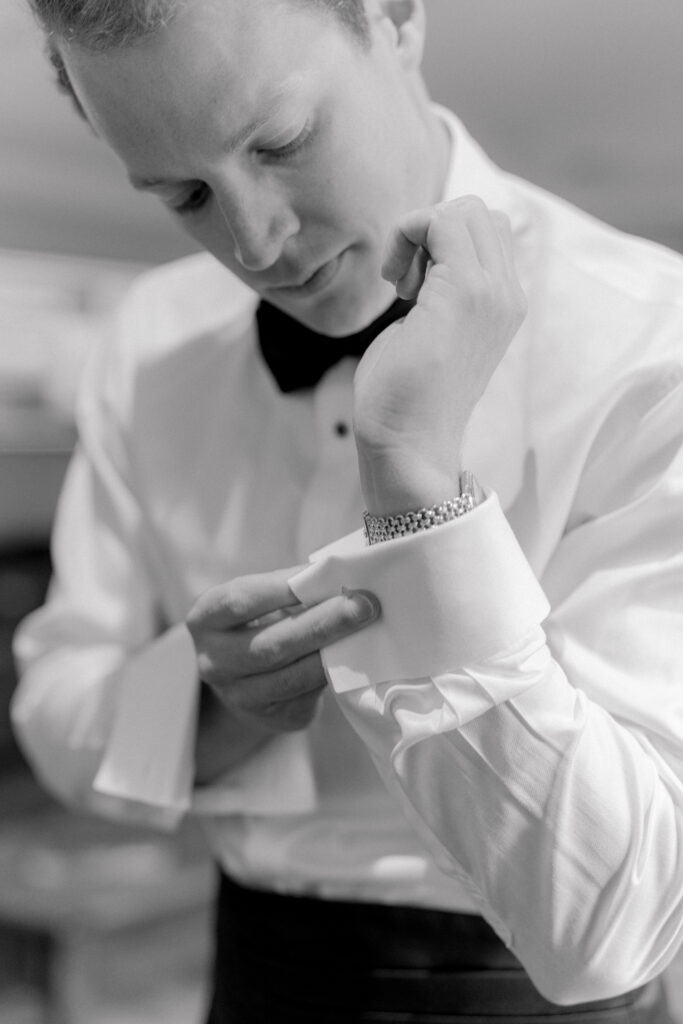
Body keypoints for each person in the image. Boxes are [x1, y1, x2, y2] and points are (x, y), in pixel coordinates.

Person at [11, 0, 683, 1020]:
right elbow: (56, 701)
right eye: (184, 194)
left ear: (394, 16)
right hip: (253, 976)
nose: (256, 241)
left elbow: (610, 923)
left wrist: (414, 488)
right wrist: (202, 712)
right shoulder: (148, 342)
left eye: (279, 142)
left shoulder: (650, 344)